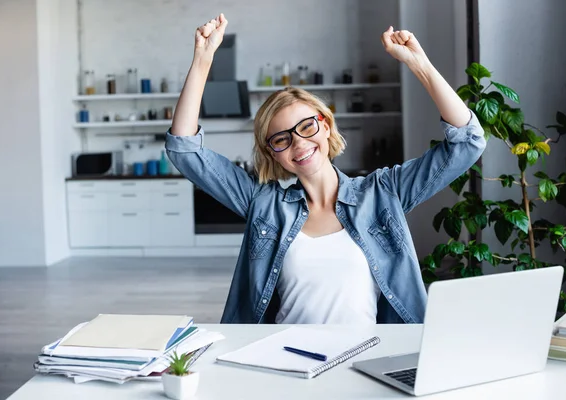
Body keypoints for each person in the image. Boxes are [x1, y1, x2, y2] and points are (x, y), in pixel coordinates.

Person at [165, 14, 486, 324]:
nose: (298, 143)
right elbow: (184, 149)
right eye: (281, 138)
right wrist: (204, 60)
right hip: (287, 357)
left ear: (327, 125)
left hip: (365, 356)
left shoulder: (384, 193)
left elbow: (467, 142)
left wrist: (420, 64)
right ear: (272, 153)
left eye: (306, 126)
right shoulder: (263, 202)